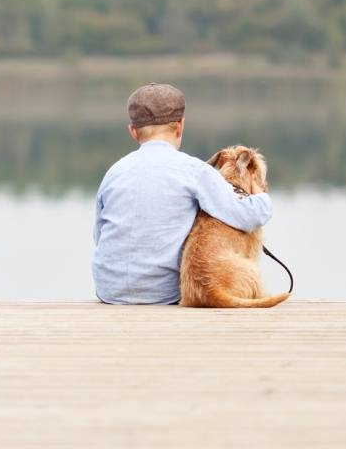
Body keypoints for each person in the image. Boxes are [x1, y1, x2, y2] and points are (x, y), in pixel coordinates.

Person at [92, 83, 272, 304]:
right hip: (165, 294)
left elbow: (99, 236)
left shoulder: (114, 172)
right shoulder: (195, 171)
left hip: (109, 290)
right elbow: (246, 217)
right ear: (180, 126)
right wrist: (259, 194)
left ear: (133, 131)